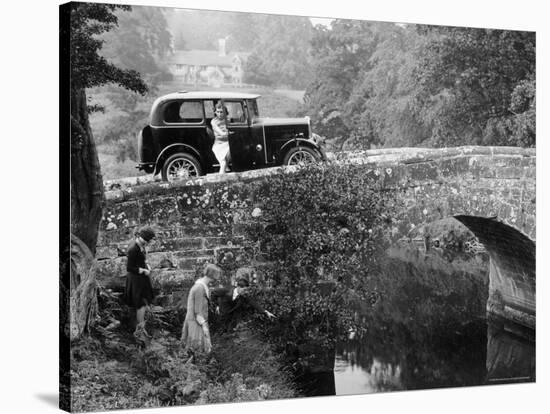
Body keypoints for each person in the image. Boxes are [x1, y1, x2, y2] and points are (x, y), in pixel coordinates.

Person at [211, 268, 276, 332]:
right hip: (220, 317)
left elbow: (253, 303)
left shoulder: (243, 296)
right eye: (244, 290)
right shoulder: (226, 291)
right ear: (239, 287)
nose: (245, 292)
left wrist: (265, 312)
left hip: (230, 320)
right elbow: (213, 293)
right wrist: (217, 306)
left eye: (246, 290)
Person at [123, 226, 156, 342]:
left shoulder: (141, 245)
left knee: (143, 303)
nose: (151, 242)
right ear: (146, 238)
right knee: (140, 304)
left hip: (141, 280)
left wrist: (147, 264)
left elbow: (141, 259)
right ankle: (139, 332)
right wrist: (143, 270)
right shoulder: (133, 248)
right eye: (151, 239)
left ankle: (140, 329)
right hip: (136, 280)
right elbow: (130, 268)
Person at [181, 264, 222, 355]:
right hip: (196, 322)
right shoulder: (199, 288)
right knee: (197, 351)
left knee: (198, 352)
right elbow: (197, 311)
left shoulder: (202, 286)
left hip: (198, 321)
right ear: (213, 276)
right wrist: (204, 326)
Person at [211, 101, 231, 174]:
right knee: (223, 163)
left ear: (225, 112)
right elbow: (221, 133)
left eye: (221, 112)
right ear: (215, 112)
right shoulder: (213, 122)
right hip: (219, 145)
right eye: (218, 112)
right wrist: (228, 133)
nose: (219, 114)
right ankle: (220, 180)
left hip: (228, 143)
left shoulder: (228, 120)